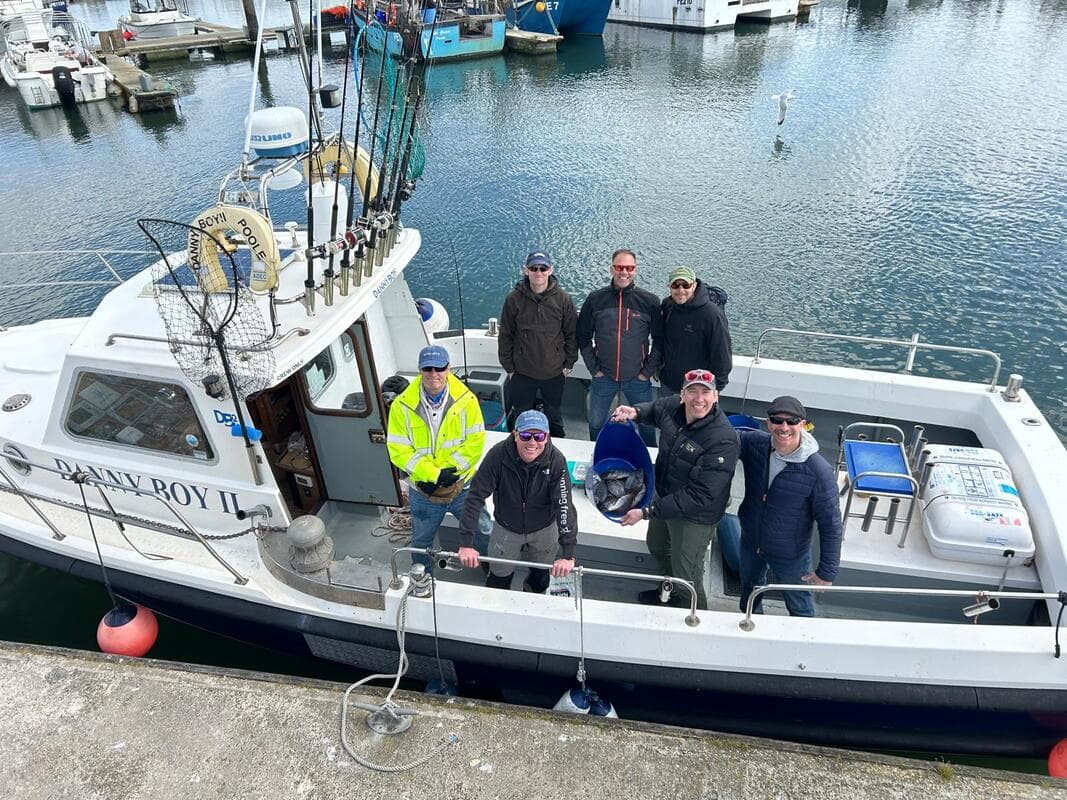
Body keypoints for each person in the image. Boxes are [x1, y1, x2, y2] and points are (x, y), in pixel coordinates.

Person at [613, 370, 739, 610]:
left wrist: (647, 511)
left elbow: (700, 494)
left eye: (705, 392)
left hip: (696, 515)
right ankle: (668, 594)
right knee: (658, 546)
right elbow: (654, 409)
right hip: (665, 496)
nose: (698, 399)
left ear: (716, 397)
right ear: (682, 395)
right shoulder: (673, 407)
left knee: (686, 574)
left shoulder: (723, 439)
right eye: (692, 391)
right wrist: (636, 412)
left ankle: (694, 615)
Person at [735, 395, 842, 617]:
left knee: (799, 604)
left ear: (803, 425)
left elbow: (831, 524)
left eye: (792, 421)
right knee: (749, 589)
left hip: (791, 553)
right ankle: (749, 623)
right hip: (751, 540)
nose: (784, 427)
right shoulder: (756, 444)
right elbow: (721, 436)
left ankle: (802, 643)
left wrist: (827, 572)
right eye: (777, 420)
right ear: (768, 423)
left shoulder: (819, 472)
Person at [386, 345, 492, 568]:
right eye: (428, 368)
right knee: (421, 539)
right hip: (423, 491)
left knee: (483, 529)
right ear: (420, 370)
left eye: (439, 368)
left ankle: (488, 564)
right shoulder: (400, 406)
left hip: (462, 487)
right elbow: (398, 449)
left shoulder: (467, 400)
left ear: (448, 369)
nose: (434, 373)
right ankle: (423, 573)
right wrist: (434, 475)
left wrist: (450, 473)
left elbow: (475, 443)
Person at [457, 410, 577, 592]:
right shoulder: (497, 456)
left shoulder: (556, 461)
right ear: (515, 435)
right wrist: (466, 543)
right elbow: (475, 497)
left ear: (546, 437)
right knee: (498, 578)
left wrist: (568, 553)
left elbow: (564, 504)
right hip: (506, 528)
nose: (532, 442)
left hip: (544, 528)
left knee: (540, 576)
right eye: (526, 435)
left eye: (539, 436)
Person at [577, 248, 663, 446]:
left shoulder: (649, 301)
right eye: (619, 267)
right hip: (603, 377)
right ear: (611, 269)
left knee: (647, 425)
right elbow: (582, 335)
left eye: (629, 267)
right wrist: (594, 369)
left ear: (635, 270)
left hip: (638, 379)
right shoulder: (595, 299)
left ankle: (649, 461)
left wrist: (646, 372)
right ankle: (597, 453)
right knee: (596, 423)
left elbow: (659, 340)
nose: (624, 272)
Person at [498, 250, 578, 439]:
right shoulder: (513, 299)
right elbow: (505, 335)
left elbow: (572, 334)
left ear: (551, 270)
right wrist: (509, 368)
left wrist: (568, 365)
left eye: (543, 268)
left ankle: (558, 448)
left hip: (554, 373)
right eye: (534, 268)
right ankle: (520, 450)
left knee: (554, 416)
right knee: (522, 417)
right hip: (522, 373)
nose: (539, 272)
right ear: (526, 270)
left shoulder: (563, 299)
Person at [659, 266, 732, 396]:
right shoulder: (667, 306)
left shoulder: (712, 315)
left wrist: (716, 388)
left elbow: (722, 355)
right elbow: (661, 339)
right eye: (675, 285)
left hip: (698, 389)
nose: (681, 290)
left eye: (685, 285)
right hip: (668, 384)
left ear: (694, 286)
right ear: (669, 287)